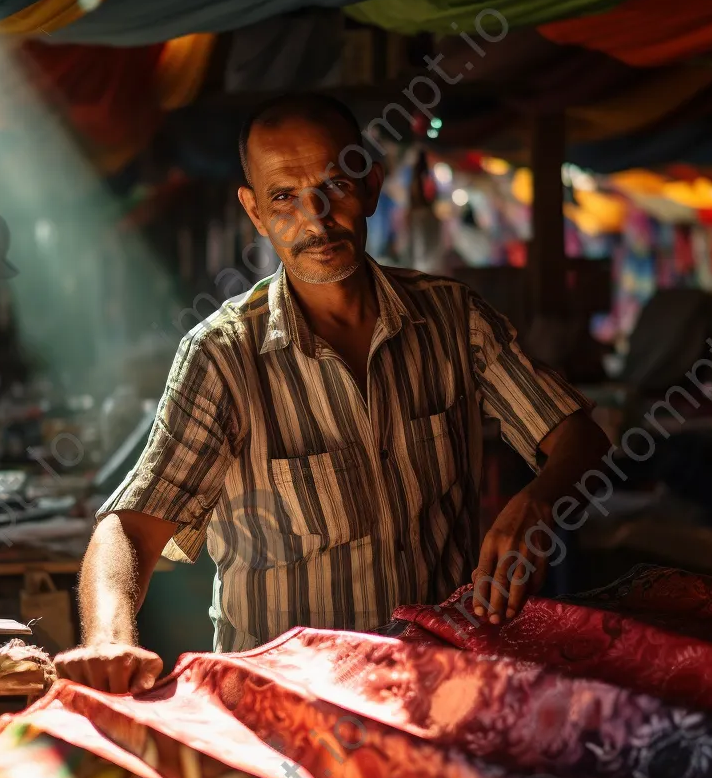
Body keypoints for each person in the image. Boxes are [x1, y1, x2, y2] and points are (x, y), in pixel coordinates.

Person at [55, 93, 610, 693]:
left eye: (334, 185)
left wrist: (539, 497)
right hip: (285, 705)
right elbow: (130, 529)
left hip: (436, 682)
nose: (315, 219)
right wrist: (108, 638)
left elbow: (577, 436)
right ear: (255, 213)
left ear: (370, 187)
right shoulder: (223, 356)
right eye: (284, 198)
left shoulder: (451, 317)